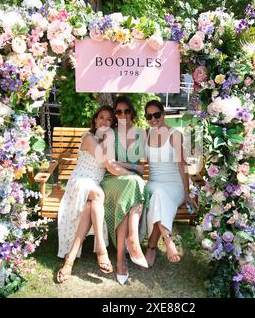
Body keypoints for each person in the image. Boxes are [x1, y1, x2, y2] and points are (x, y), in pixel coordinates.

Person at [56, 105, 134, 283]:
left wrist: (132, 166)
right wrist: (131, 173)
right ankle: (101, 249)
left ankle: (69, 260)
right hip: (80, 182)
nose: (105, 122)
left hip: (93, 189)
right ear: (95, 120)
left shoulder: (106, 143)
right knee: (97, 195)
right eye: (101, 118)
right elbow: (109, 164)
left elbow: (113, 162)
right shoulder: (89, 137)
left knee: (91, 205)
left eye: (109, 120)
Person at [101, 96, 149, 285]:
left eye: (126, 111)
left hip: (131, 183)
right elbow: (109, 164)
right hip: (112, 179)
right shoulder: (109, 134)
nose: (122, 115)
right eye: (118, 112)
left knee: (130, 192)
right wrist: (133, 167)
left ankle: (121, 257)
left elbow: (145, 166)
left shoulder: (140, 134)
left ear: (132, 113)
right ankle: (133, 242)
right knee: (134, 182)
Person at [143, 100, 197, 268]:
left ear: (163, 114)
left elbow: (182, 164)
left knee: (160, 196)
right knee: (158, 193)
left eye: (156, 115)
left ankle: (154, 247)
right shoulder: (145, 134)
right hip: (153, 183)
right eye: (149, 116)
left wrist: (187, 193)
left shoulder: (175, 134)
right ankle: (167, 241)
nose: (153, 119)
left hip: (174, 185)